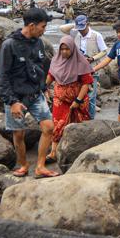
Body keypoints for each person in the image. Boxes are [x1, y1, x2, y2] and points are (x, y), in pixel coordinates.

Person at [0, 7, 57, 178]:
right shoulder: (9, 45)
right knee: (19, 133)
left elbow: (40, 67)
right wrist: (12, 102)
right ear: (31, 25)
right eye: (43, 26)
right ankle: (23, 165)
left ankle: (40, 166)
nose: (44, 30)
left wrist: (44, 88)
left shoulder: (38, 43)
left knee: (49, 127)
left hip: (35, 94)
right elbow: (3, 76)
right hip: (16, 98)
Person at [44, 36, 94, 164]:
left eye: (67, 49)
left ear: (72, 49)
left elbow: (86, 83)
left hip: (78, 100)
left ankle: (79, 151)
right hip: (60, 100)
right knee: (57, 124)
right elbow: (51, 75)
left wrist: (77, 101)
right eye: (62, 49)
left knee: (78, 124)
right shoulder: (56, 61)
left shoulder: (81, 62)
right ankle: (54, 152)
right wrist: (43, 88)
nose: (64, 52)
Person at [59, 14, 108, 118]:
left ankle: (90, 117)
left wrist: (92, 58)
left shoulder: (96, 35)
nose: (81, 31)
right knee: (78, 94)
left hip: (92, 69)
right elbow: (62, 28)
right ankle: (81, 117)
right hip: (77, 70)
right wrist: (76, 25)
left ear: (88, 24)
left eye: (83, 28)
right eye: (79, 28)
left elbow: (104, 51)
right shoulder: (75, 34)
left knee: (91, 96)